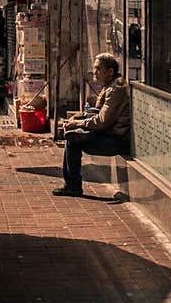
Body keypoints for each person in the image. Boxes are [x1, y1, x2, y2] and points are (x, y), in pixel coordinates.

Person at [53, 52, 130, 197]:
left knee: (72, 140)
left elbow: (102, 121)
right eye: (94, 68)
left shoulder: (115, 90)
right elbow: (97, 112)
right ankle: (72, 184)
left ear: (110, 72)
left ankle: (73, 186)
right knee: (72, 133)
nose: (94, 72)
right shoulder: (109, 86)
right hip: (108, 134)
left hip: (116, 140)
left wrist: (78, 123)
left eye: (98, 69)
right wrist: (77, 118)